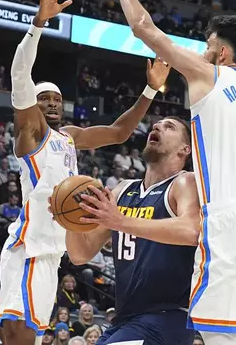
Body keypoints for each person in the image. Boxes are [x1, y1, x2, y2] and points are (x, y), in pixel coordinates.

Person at [112, 0, 236, 344]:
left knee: (217, 336)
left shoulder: (209, 74)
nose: (202, 51)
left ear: (222, 54)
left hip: (229, 218)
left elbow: (144, 27)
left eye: (207, 45)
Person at [0, 0, 170, 345]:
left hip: (51, 249)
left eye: (57, 99)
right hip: (31, 246)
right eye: (45, 99)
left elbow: (119, 132)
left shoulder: (70, 136)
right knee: (18, 336)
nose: (53, 104)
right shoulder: (31, 133)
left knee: (19, 336)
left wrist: (150, 88)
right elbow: (19, 75)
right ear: (33, 105)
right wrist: (38, 24)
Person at [61, 117, 199, 345]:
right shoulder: (124, 189)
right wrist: (72, 219)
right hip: (125, 319)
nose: (156, 127)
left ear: (185, 149)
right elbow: (81, 254)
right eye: (157, 125)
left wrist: (120, 221)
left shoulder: (184, 182)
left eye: (169, 127)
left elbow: (191, 230)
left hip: (167, 318)